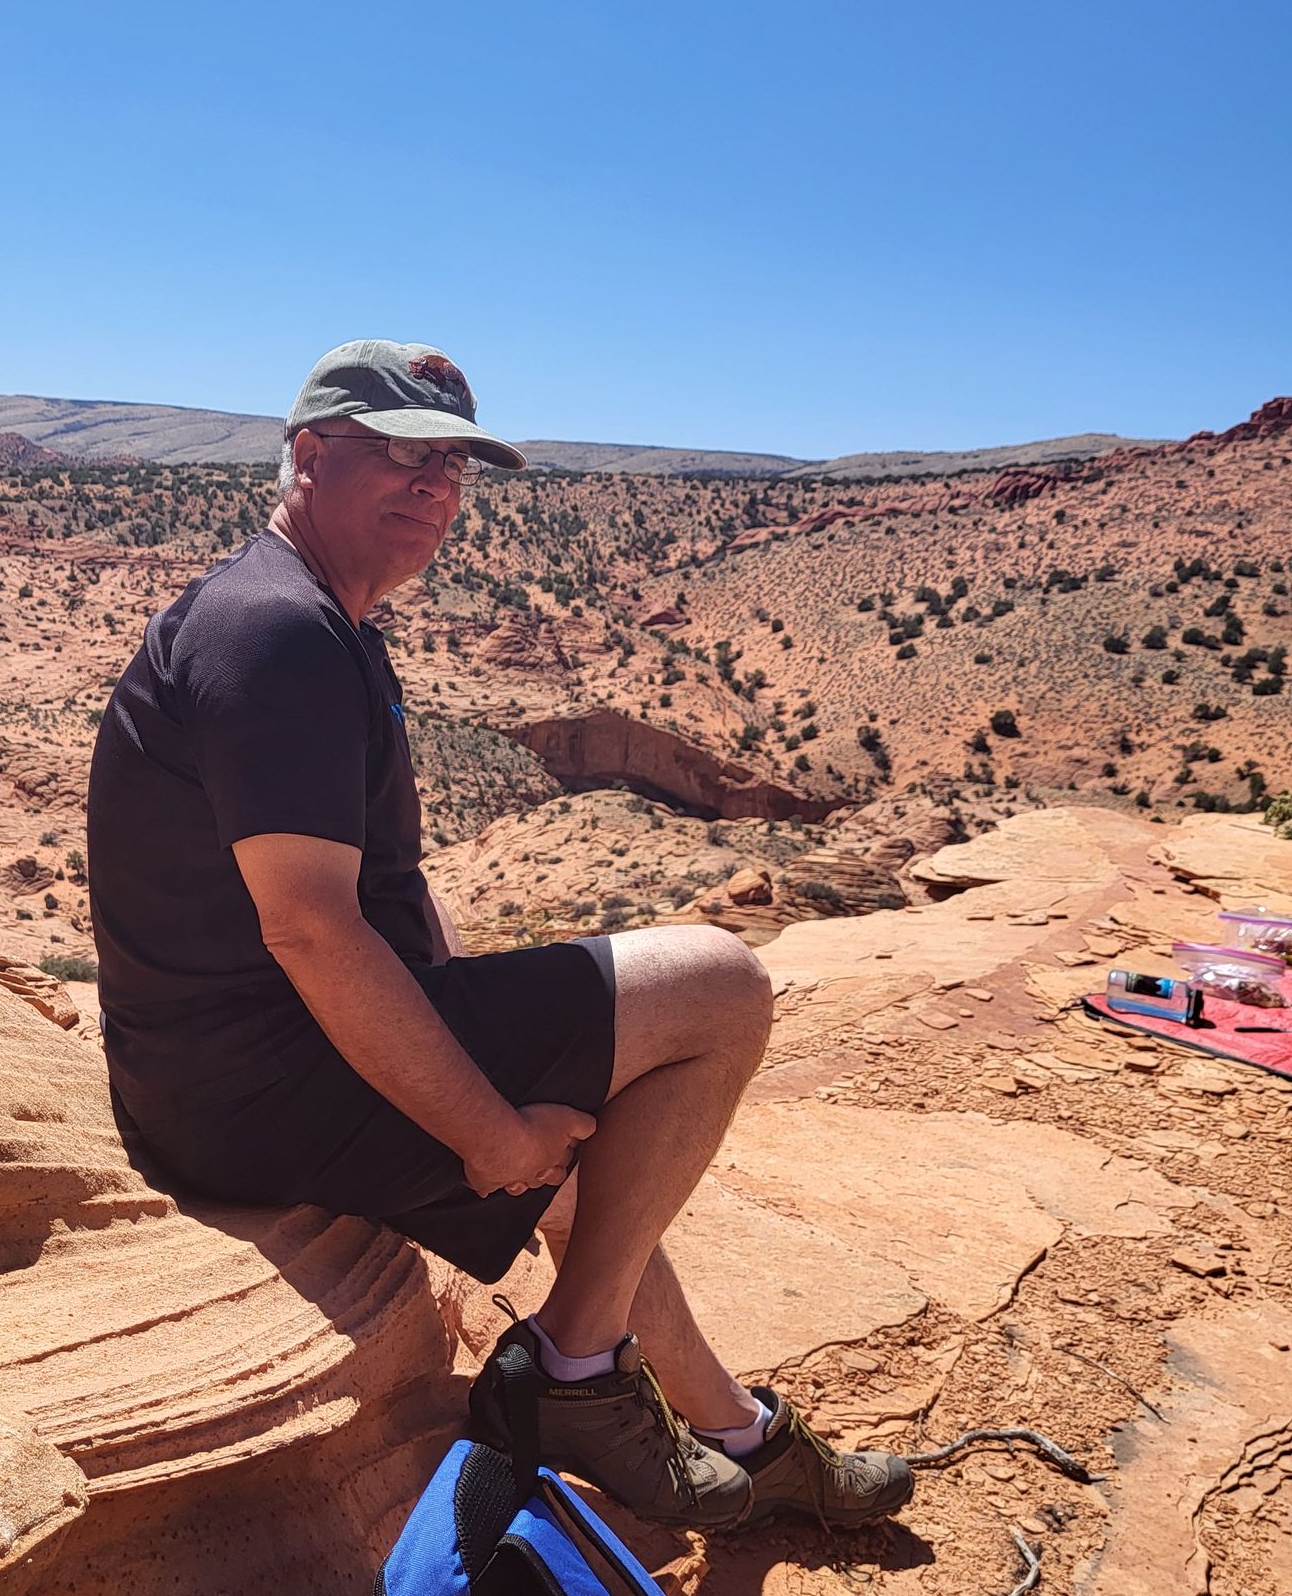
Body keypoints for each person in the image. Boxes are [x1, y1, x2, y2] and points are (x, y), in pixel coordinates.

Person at [86, 339, 911, 1532]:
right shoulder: (275, 630)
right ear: (309, 454)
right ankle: (573, 1377)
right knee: (720, 985)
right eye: (402, 456)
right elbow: (311, 929)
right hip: (259, 1085)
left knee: (601, 1192)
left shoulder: (319, 622)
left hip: (235, 1073)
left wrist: (475, 1041)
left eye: (455, 468)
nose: (434, 488)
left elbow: (377, 890)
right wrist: (488, 1126)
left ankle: (740, 1433)